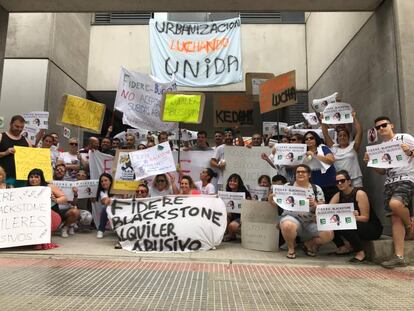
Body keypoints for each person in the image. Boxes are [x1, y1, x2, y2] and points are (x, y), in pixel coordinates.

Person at [364, 116, 414, 268]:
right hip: (389, 182)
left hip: (407, 178)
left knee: (395, 204)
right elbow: (382, 171)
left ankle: (410, 226)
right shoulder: (381, 147)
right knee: (395, 219)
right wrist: (370, 162)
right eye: (378, 127)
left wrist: (410, 152)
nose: (381, 129)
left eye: (384, 125)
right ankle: (399, 256)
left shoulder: (404, 137)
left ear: (391, 125)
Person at [273, 164, 333, 259]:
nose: (300, 173)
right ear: (295, 174)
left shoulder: (316, 189)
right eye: (298, 172)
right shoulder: (287, 186)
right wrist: (270, 198)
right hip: (292, 219)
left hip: (310, 222)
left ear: (309, 175)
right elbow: (276, 204)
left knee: (329, 234)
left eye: (303, 172)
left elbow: (322, 209)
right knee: (287, 225)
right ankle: (291, 248)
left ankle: (309, 244)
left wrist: (314, 204)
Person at [329, 170, 383, 262]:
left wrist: (352, 217)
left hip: (371, 227)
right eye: (337, 182)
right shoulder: (338, 195)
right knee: (329, 223)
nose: (339, 184)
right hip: (355, 224)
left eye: (342, 181)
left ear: (349, 181)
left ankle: (360, 253)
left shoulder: (359, 194)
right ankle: (342, 247)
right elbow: (328, 211)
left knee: (346, 225)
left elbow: (365, 218)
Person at [27, 168, 67, 250]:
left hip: (52, 215)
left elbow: (64, 198)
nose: (33, 179)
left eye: (36, 177)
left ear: (41, 178)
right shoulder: (26, 189)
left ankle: (43, 241)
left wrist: (55, 200)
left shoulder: (49, 187)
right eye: (31, 177)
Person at [322, 111, 363, 187]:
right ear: (337, 138)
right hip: (340, 181)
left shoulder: (353, 146)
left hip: (355, 180)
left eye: (344, 135)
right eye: (340, 136)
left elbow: (359, 131)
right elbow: (325, 133)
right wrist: (323, 120)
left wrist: (354, 118)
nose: (342, 137)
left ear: (348, 137)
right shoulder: (333, 148)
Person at [302, 131, 337, 202]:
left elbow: (331, 160)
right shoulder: (304, 153)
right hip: (315, 187)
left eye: (311, 138)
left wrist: (314, 155)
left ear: (316, 139)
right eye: (306, 139)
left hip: (330, 185)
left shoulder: (323, 148)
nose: (309, 140)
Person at [0, 115, 32, 186]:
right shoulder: (1, 137)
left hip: (21, 180)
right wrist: (5, 153)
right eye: (17, 126)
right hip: (3, 179)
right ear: (10, 124)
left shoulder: (27, 141)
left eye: (21, 127)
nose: (19, 129)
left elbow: (32, 161)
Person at [223, 173, 251, 242]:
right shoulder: (227, 193)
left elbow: (250, 208)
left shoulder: (245, 193)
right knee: (223, 217)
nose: (232, 182)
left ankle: (247, 236)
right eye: (230, 181)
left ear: (239, 183)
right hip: (233, 215)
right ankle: (231, 235)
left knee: (232, 226)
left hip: (242, 216)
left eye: (235, 181)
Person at [96, 173, 113, 239]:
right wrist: (107, 200)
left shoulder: (119, 189)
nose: (103, 182)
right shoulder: (102, 192)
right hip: (112, 210)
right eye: (102, 181)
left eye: (106, 180)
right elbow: (105, 201)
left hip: (122, 209)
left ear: (110, 181)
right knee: (105, 208)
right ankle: (101, 230)